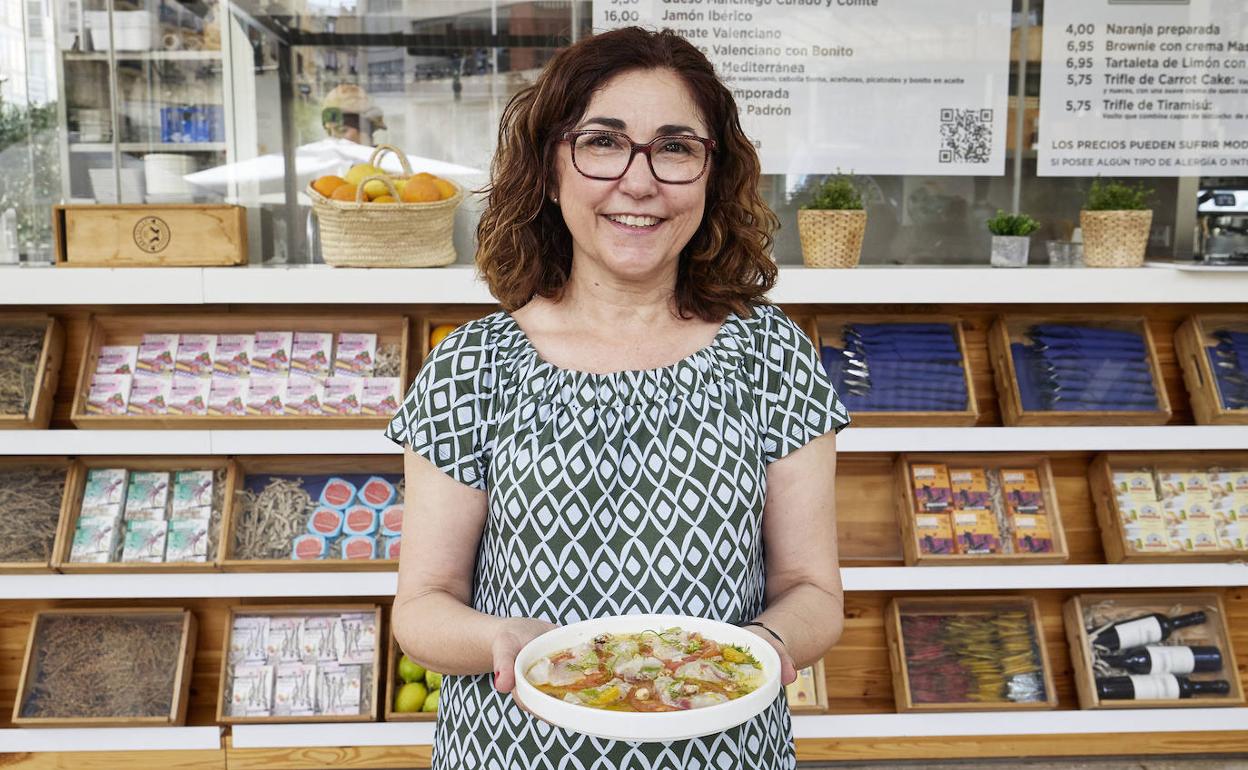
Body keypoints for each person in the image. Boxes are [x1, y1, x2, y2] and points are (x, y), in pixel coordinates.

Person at [385, 26, 849, 770]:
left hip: (721, 751)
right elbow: (423, 606)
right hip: (513, 750)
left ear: (711, 174)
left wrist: (762, 648)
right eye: (603, 142)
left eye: (675, 147)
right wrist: (500, 639)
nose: (640, 182)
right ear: (550, 166)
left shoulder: (771, 355)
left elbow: (812, 590)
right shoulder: (470, 366)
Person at [320, 83, 387, 146]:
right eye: (329, 132)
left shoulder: (386, 157)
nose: (333, 139)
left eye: (342, 131)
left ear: (366, 130)